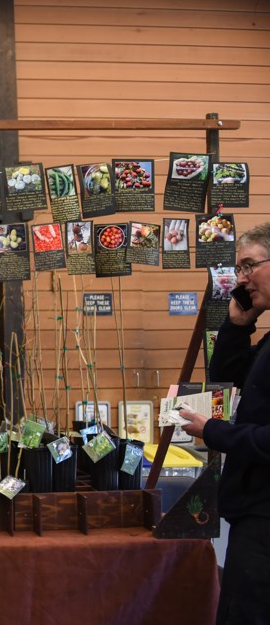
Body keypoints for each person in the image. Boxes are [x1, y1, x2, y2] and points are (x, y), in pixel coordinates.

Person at [180, 222, 270, 624]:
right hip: (253, 515)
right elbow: (229, 378)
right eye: (239, 268)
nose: (242, 278)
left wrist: (214, 431)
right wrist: (237, 324)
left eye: (250, 265)